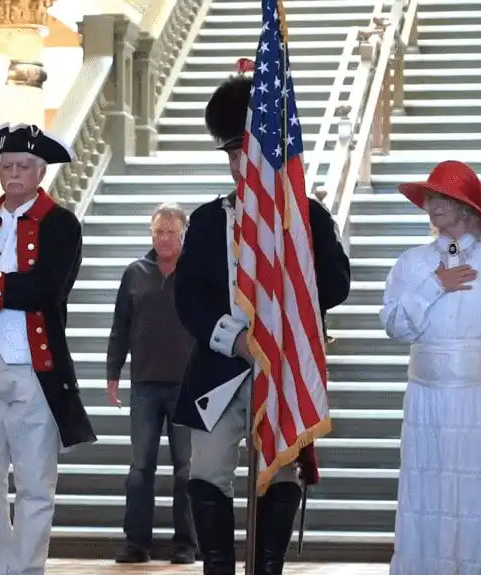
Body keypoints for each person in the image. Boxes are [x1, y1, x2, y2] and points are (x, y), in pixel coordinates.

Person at [173, 74, 352, 575]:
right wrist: (238, 339)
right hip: (220, 367)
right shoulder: (210, 220)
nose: (236, 166)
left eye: (244, 154)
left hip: (284, 369)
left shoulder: (308, 216)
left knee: (280, 470)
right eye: (230, 156)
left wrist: (295, 258)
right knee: (207, 472)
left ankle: (267, 566)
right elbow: (189, 296)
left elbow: (336, 286)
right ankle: (218, 567)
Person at [0, 122, 97, 575]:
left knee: (34, 487)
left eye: (24, 166)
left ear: (40, 172)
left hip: (32, 367)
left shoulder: (61, 224)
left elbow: (47, 289)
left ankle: (27, 571)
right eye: (7, 165)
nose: (14, 173)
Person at [380, 160, 481, 574]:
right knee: (430, 494)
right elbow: (395, 326)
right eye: (429, 197)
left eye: (442, 197)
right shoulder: (412, 263)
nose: (432, 205)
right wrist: (435, 286)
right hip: (427, 403)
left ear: (467, 207)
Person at [106, 203, 197, 565]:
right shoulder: (135, 273)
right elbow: (120, 327)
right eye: (158, 232)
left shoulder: (196, 273)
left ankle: (186, 545)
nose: (164, 239)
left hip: (187, 386)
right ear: (151, 234)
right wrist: (113, 373)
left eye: (171, 232)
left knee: (186, 469)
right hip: (144, 385)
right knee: (140, 468)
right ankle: (136, 544)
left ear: (183, 234)